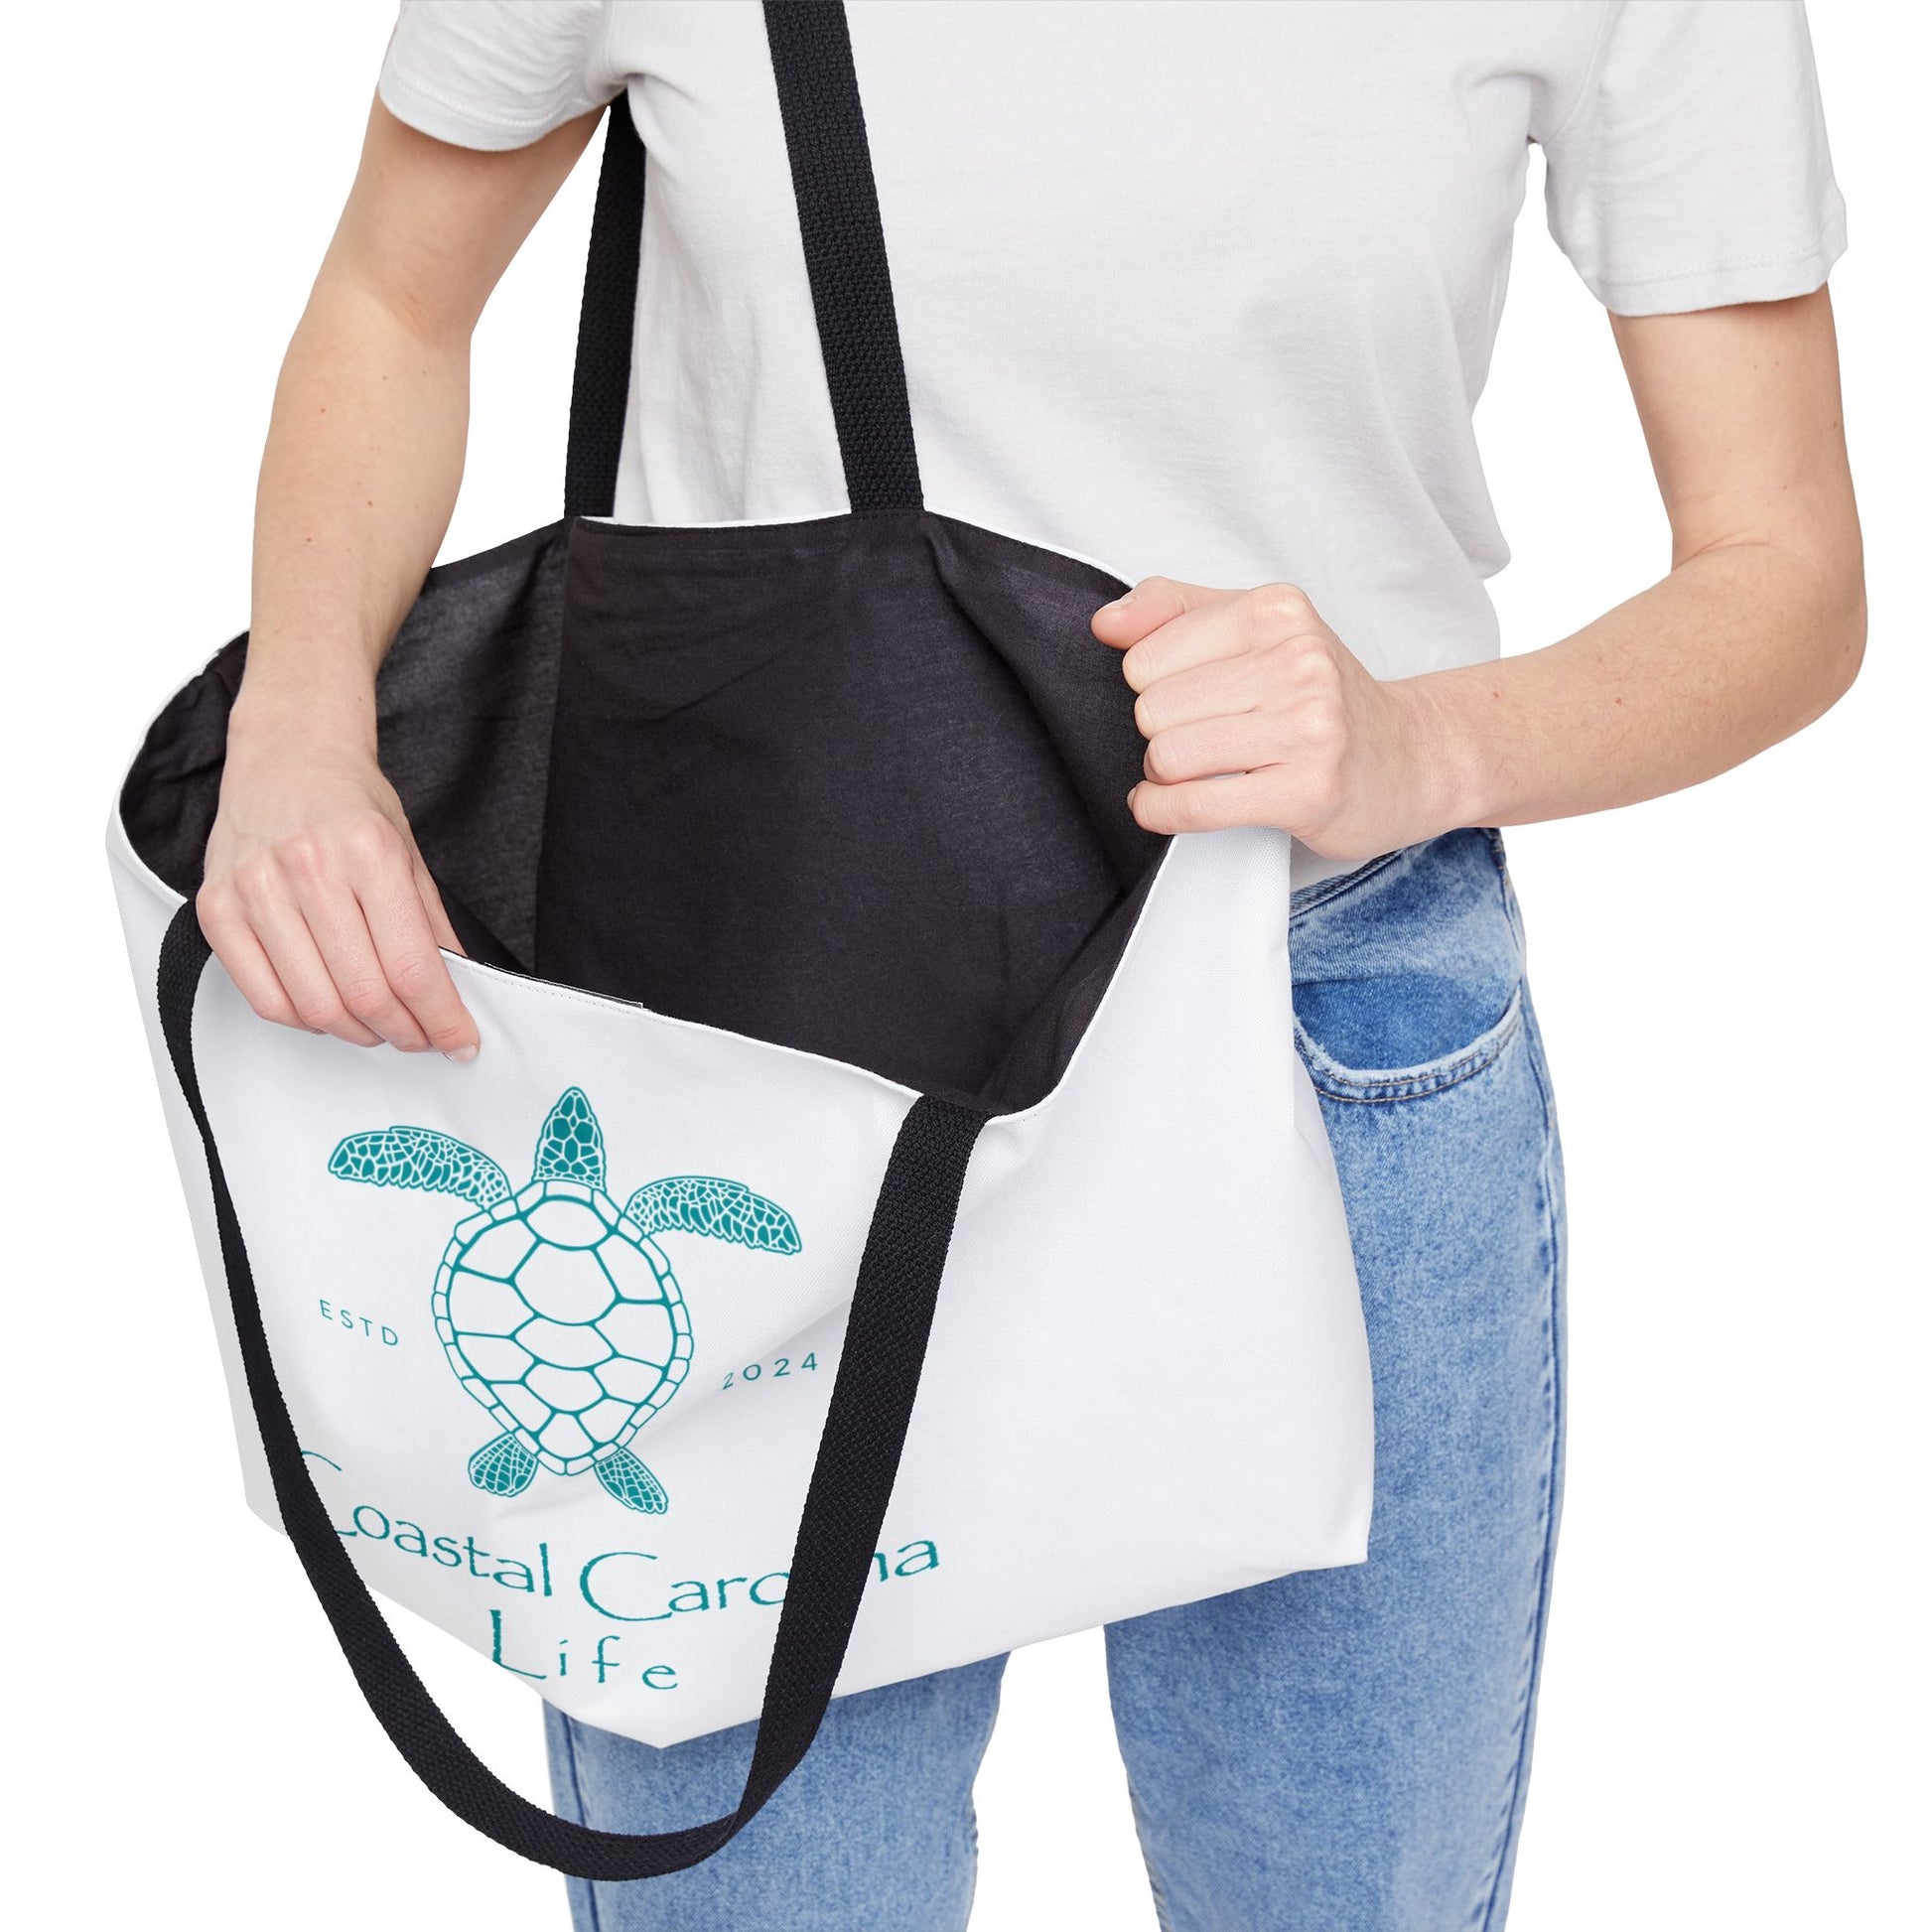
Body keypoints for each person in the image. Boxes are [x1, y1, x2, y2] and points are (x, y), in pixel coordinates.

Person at [195, 4, 1863, 1927]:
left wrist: (1424, 743)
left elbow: (1784, 571)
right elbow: (392, 303)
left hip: (1317, 1004)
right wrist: (297, 730)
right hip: (764, 1012)